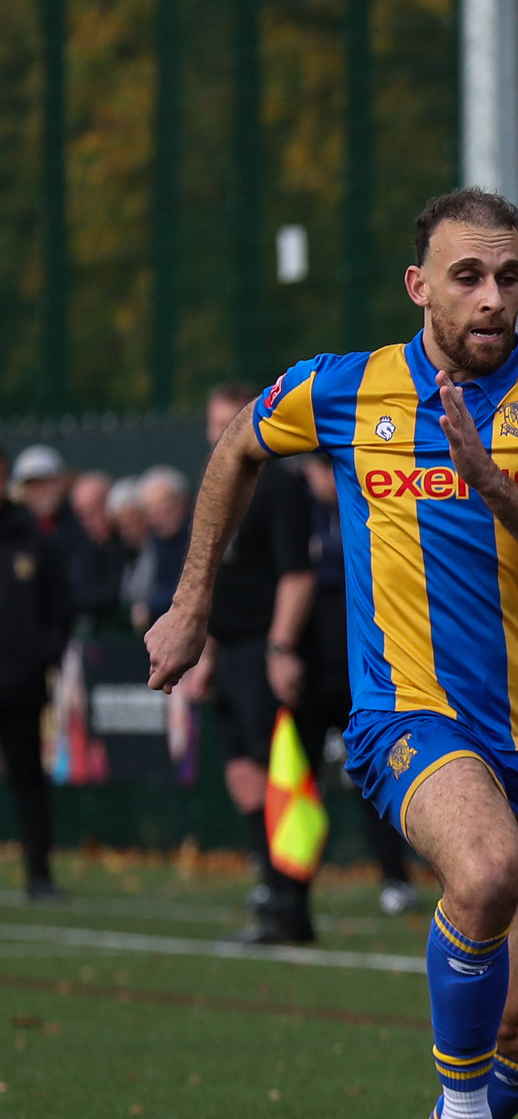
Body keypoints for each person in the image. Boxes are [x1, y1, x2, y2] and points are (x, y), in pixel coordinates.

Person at [145, 187, 518, 1119]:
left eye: (508, 275)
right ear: (420, 286)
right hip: (405, 717)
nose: (492, 296)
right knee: (484, 872)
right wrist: (191, 600)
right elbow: (235, 446)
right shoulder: (348, 386)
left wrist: (488, 477)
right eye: (467, 276)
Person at [178, 381, 319, 945]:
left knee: (280, 774)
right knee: (241, 776)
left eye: (226, 424)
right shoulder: (215, 487)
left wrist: (280, 649)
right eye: (213, 426)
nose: (218, 436)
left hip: (264, 647)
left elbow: (297, 576)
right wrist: (204, 650)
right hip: (228, 648)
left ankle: (292, 907)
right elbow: (208, 580)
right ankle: (270, 890)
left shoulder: (279, 486)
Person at [301, 452, 419, 916]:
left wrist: (327, 557)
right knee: (299, 780)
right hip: (311, 677)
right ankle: (290, 881)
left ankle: (395, 877)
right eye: (317, 469)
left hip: (363, 675)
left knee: (379, 776)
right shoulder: (299, 509)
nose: (323, 478)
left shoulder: (367, 496)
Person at [0, 450, 73, 901]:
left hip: (20, 683)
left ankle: (39, 875)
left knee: (28, 778)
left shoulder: (34, 538)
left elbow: (58, 608)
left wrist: (39, 659)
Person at [64, 471, 131, 630]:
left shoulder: (131, 541)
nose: (89, 521)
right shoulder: (83, 545)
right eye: (82, 514)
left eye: (95, 509)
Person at [133, 465, 191, 629]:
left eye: (164, 510)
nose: (157, 520)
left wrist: (151, 605)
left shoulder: (199, 534)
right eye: (151, 513)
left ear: (181, 502)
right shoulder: (154, 540)